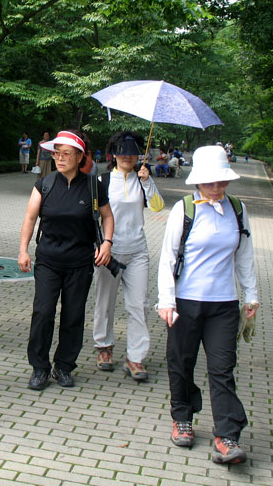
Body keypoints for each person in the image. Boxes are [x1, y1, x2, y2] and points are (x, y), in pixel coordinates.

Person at [156, 145, 258, 465]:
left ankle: (227, 435)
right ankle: (182, 417)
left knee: (222, 370)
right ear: (198, 180)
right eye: (211, 181)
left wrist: (251, 296)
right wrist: (166, 300)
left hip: (224, 305)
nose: (217, 187)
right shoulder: (184, 210)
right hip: (185, 302)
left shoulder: (238, 209)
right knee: (181, 363)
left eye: (222, 181)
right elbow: (168, 258)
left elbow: (245, 255)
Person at [18, 129, 114, 390]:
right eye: (56, 153)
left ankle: (64, 366)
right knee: (43, 312)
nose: (59, 158)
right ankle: (39, 367)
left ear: (80, 157)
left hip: (81, 262)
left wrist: (107, 242)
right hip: (48, 260)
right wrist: (23, 250)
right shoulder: (45, 185)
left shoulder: (94, 186)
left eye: (66, 154)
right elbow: (30, 218)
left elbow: (107, 216)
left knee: (73, 315)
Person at [93, 132, 164, 382]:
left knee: (139, 305)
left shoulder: (142, 179)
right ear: (114, 155)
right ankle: (104, 347)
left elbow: (157, 206)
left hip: (137, 252)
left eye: (133, 153)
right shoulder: (102, 180)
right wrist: (98, 246)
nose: (128, 157)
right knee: (105, 302)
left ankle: (135, 357)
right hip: (108, 252)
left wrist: (146, 182)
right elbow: (92, 217)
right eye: (122, 153)